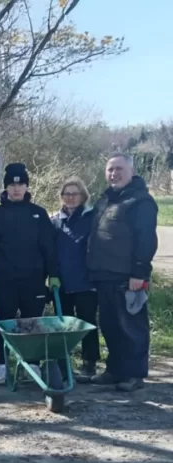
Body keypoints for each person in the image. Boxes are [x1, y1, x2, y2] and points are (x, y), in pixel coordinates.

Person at [0, 164, 60, 385]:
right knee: (3, 323)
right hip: (5, 280)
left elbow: (49, 247)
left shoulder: (38, 213)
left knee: (32, 323)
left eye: (20, 184)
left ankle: (31, 363)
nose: (16, 189)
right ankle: (1, 364)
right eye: (12, 185)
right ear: (6, 188)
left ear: (26, 186)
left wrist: (54, 274)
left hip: (34, 280)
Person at [86, 154, 158, 392]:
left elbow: (146, 240)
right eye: (110, 169)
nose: (114, 173)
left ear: (131, 171)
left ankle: (134, 374)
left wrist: (139, 273)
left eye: (119, 169)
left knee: (132, 327)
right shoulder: (105, 200)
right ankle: (115, 370)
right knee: (110, 325)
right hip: (104, 275)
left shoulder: (141, 202)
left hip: (128, 277)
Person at [50, 178, 100, 378]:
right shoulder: (54, 221)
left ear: (83, 196)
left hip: (86, 282)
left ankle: (89, 363)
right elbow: (50, 252)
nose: (70, 198)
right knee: (64, 326)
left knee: (87, 323)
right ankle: (64, 363)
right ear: (61, 197)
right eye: (66, 194)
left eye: (74, 194)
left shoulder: (92, 218)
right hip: (62, 283)